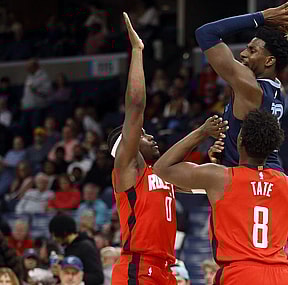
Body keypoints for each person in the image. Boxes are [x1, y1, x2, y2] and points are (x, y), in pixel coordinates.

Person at [153, 110, 288, 284]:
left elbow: (162, 169)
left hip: (241, 273)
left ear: (240, 141)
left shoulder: (220, 177)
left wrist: (202, 132)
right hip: (281, 276)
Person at [107, 13, 181, 285]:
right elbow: (136, 104)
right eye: (143, 134)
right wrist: (137, 51)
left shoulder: (161, 173)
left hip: (165, 269)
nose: (150, 136)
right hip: (138, 267)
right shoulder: (129, 169)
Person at [195, 1, 288, 170]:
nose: (242, 53)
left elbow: (205, 33)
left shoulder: (249, 86)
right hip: (271, 176)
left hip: (250, 181)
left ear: (269, 61)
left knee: (167, 171)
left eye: (252, 50)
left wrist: (262, 17)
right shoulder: (277, 88)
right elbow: (275, 54)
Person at [49, 214, 104, 285]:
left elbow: (98, 277)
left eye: (55, 235)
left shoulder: (86, 247)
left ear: (64, 232)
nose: (54, 239)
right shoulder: (69, 247)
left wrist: (66, 274)